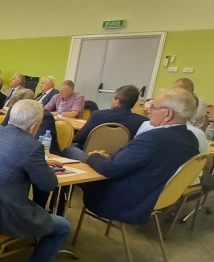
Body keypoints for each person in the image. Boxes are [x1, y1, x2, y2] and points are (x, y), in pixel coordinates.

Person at [0, 100, 71, 262]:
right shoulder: (32, 146)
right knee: (63, 226)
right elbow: (48, 184)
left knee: (2, 187)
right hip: (4, 215)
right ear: (34, 126)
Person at [81, 87, 200, 224]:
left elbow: (110, 168)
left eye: (153, 107)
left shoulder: (152, 139)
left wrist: (94, 156)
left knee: (73, 161)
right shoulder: (191, 139)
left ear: (168, 114)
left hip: (120, 202)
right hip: (154, 199)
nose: (149, 111)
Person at [70, 85, 148, 148]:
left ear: (117, 102)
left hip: (89, 154)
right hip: (119, 157)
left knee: (68, 148)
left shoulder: (98, 115)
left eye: (112, 98)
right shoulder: (142, 121)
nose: (112, 100)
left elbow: (80, 138)